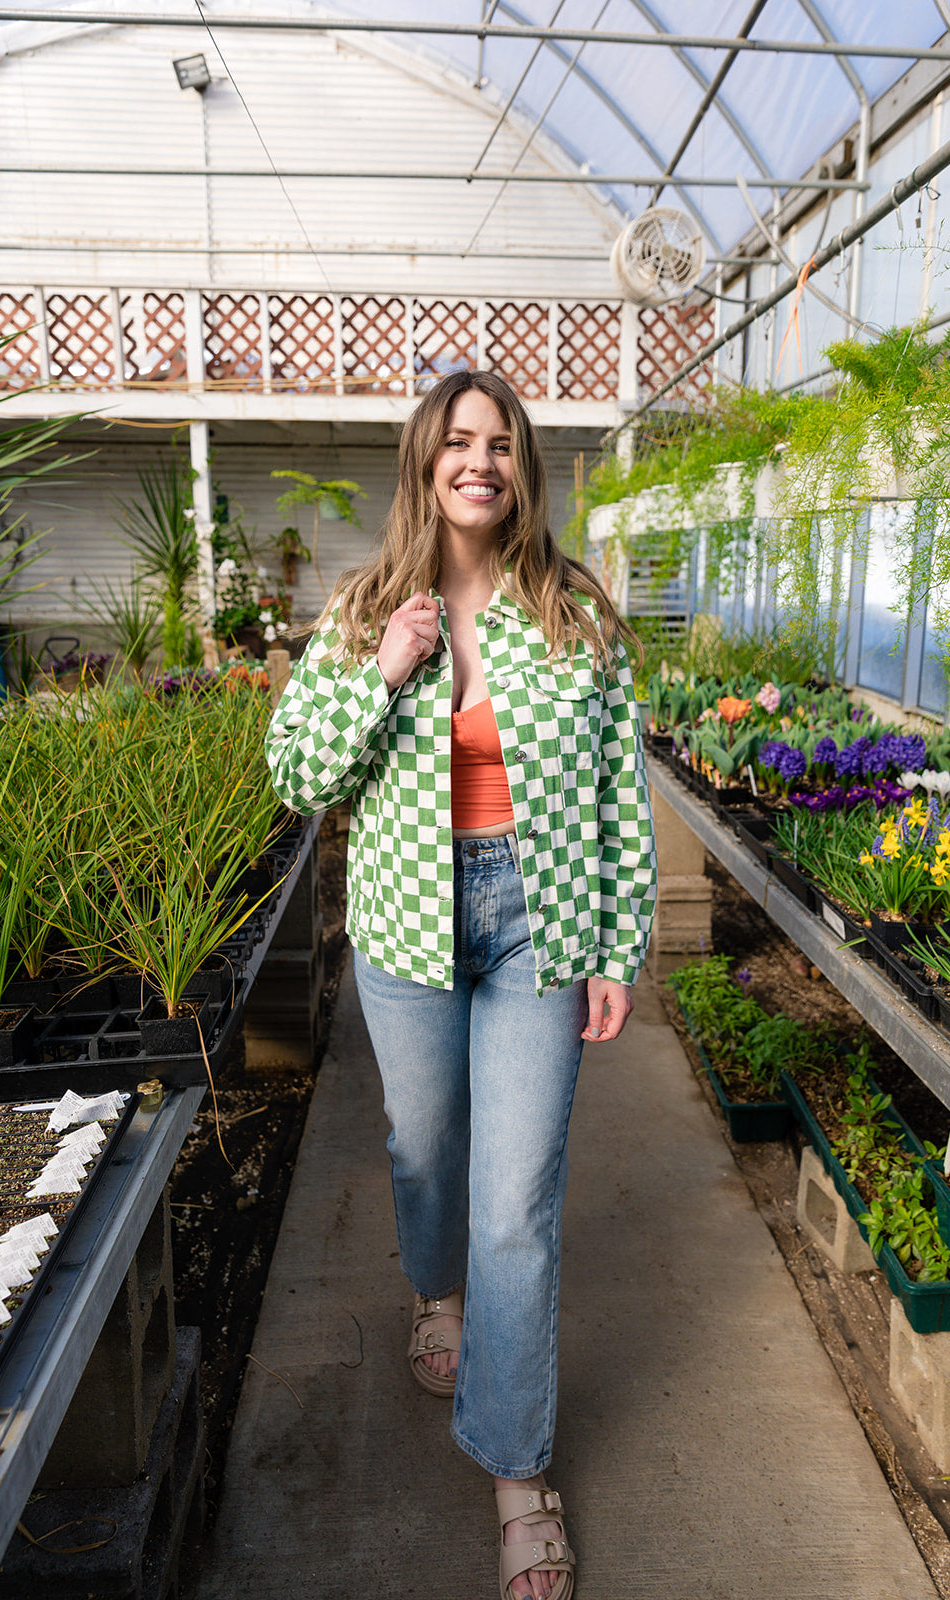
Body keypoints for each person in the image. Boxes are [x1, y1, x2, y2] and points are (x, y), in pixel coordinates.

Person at [266, 369, 656, 1600]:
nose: (477, 461)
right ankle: (432, 1296)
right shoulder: (364, 608)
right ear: (423, 462)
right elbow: (297, 775)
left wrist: (612, 942)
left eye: (499, 443)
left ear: (521, 466)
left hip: (537, 918)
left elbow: (615, 792)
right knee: (423, 1147)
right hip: (406, 918)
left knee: (515, 1203)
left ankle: (515, 1470)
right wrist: (383, 669)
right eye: (457, 441)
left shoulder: (573, 613)